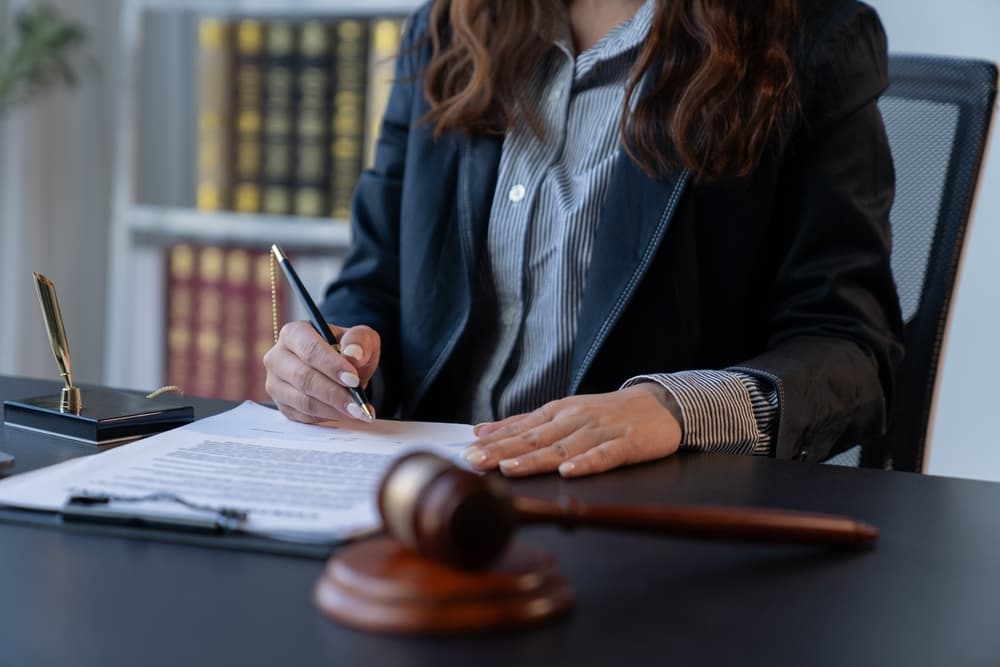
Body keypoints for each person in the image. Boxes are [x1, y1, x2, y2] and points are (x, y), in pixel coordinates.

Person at [263, 0, 903, 478]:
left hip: (639, 512)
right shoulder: (446, 29)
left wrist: (673, 408)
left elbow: (852, 352)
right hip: (424, 493)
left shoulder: (810, 41)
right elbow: (375, 283)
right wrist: (331, 358)